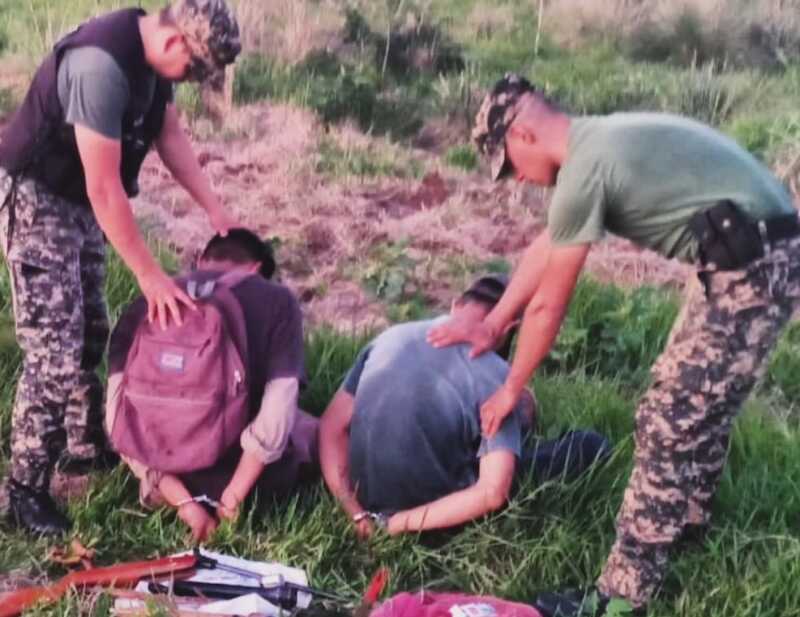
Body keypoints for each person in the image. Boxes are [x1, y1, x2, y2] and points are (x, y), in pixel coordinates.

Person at [427, 74, 800, 614]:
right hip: (745, 250)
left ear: (523, 133)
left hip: (754, 262)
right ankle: (685, 523)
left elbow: (549, 306)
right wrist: (494, 323)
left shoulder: (586, 166)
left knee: (670, 418)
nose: (517, 179)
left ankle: (621, 596)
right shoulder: (593, 143)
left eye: (509, 165)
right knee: (693, 402)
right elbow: (547, 246)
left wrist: (511, 388)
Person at [0, 0, 241, 535]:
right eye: (193, 71)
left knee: (91, 330)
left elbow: (169, 135)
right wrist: (151, 276)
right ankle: (24, 490)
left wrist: (215, 209)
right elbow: (105, 188)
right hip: (38, 197)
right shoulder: (99, 67)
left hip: (78, 201)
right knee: (54, 352)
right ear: (176, 42)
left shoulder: (155, 61)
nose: (190, 81)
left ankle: (84, 446)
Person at [320, 274, 610, 538]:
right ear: (510, 328)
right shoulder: (496, 375)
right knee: (589, 445)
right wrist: (397, 523)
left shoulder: (389, 337)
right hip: (434, 514)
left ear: (456, 305)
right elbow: (493, 492)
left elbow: (331, 428)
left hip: (364, 495)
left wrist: (353, 509)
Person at [106, 228, 318, 542]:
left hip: (170, 482)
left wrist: (184, 503)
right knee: (312, 427)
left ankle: (179, 499)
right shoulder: (277, 300)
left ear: (201, 260)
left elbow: (117, 419)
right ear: (257, 269)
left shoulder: (148, 298)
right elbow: (278, 411)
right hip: (252, 489)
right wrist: (232, 498)